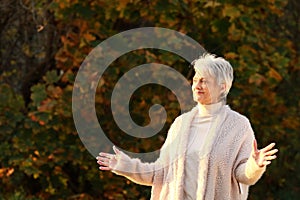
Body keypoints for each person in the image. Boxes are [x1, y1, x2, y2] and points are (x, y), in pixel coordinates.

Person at [96, 53, 278, 200]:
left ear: (222, 87)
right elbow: (160, 173)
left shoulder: (238, 125)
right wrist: (124, 165)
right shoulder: (180, 124)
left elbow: (243, 175)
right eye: (196, 80)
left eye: (204, 81)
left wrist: (255, 164)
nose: (197, 86)